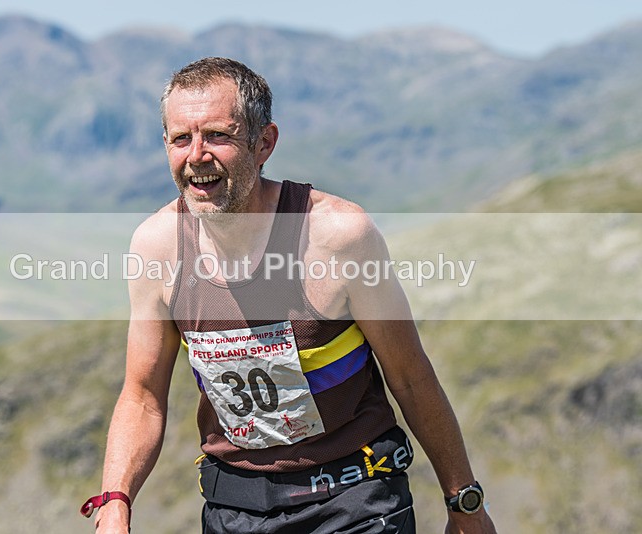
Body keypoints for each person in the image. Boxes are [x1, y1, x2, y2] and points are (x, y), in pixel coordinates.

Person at [83, 57, 497, 533]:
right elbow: (142, 398)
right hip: (233, 507)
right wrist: (115, 501)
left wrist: (464, 504)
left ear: (264, 143)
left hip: (355, 499)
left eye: (217, 135)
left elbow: (409, 376)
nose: (197, 155)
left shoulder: (338, 234)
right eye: (181, 138)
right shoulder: (156, 246)